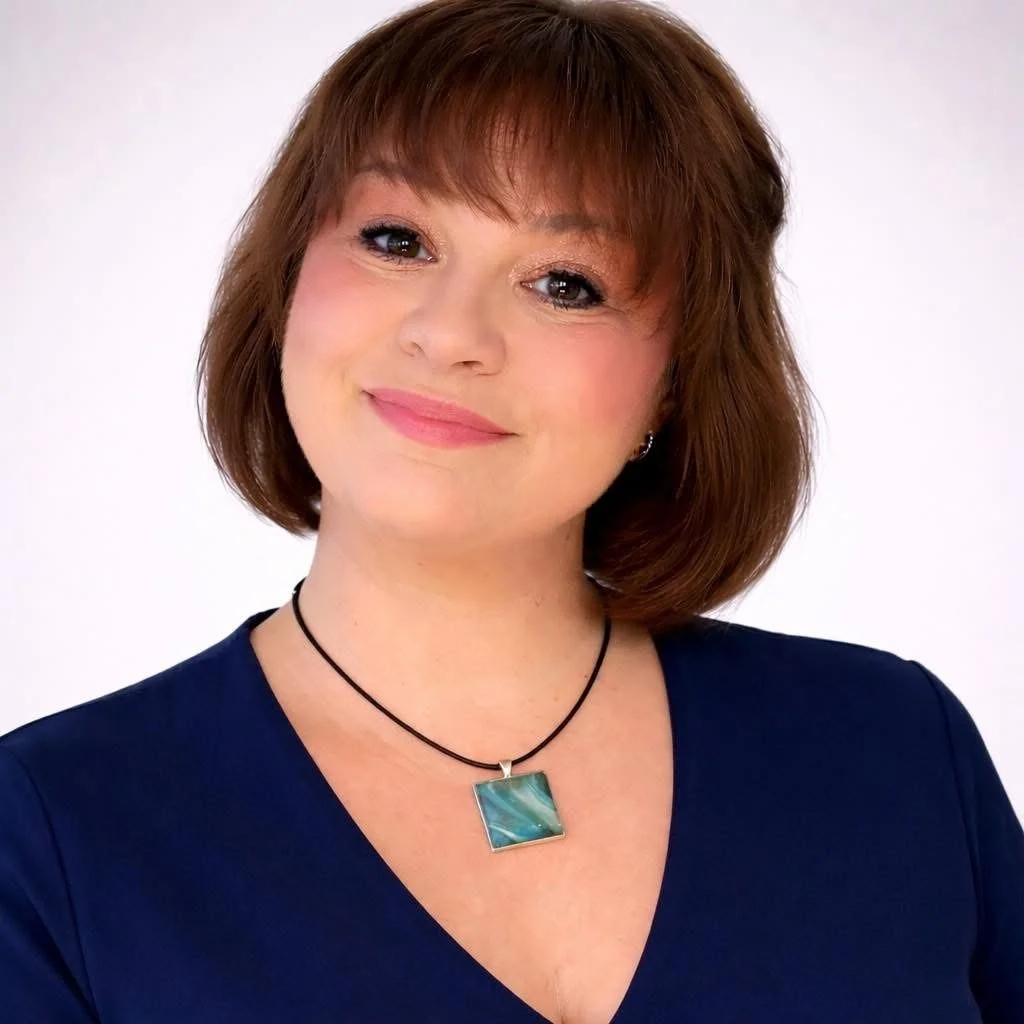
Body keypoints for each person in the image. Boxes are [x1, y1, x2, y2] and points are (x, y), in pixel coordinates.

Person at [2, 0, 1022, 1019]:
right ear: (286, 283)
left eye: (565, 284)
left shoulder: (894, 749)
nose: (450, 334)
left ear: (675, 380)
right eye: (396, 237)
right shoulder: (49, 830)